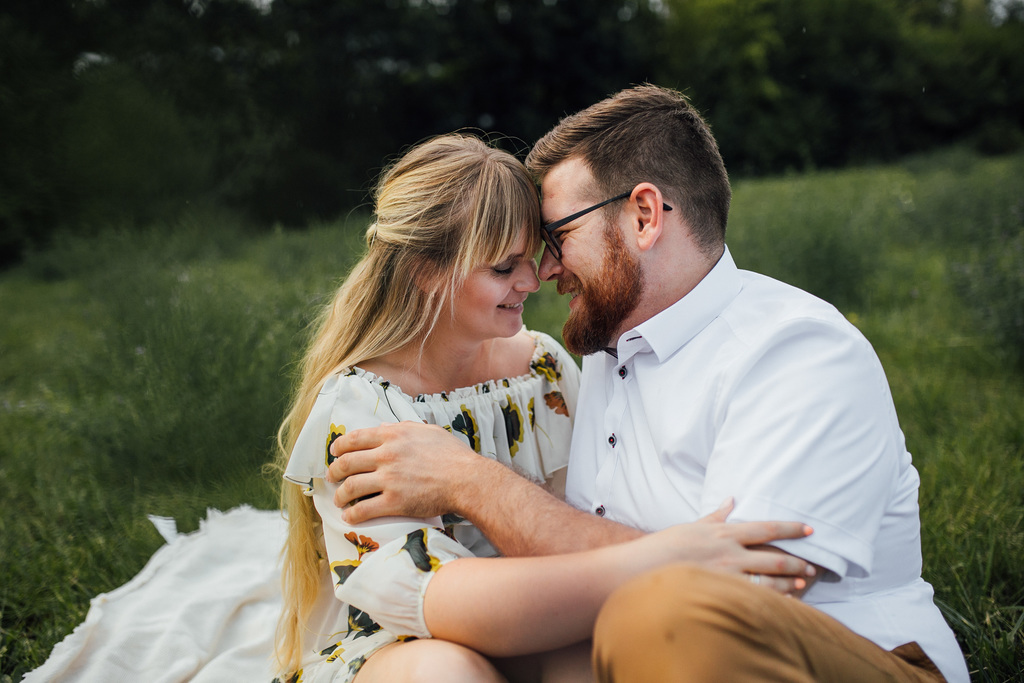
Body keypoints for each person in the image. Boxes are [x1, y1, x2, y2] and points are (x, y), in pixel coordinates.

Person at [325, 87, 970, 682]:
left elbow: (728, 596)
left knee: (658, 612)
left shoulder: (794, 352)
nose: (544, 269)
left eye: (558, 236)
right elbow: (573, 567)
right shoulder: (604, 354)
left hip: (843, 658)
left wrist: (472, 480)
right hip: (639, 657)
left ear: (644, 216)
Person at [272, 132, 814, 683]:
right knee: (448, 673)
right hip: (401, 647)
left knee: (599, 658)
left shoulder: (541, 371)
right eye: (503, 269)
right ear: (425, 271)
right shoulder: (364, 405)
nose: (533, 281)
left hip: (546, 618)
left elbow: (571, 521)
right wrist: (658, 558)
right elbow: (430, 601)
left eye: (532, 258)